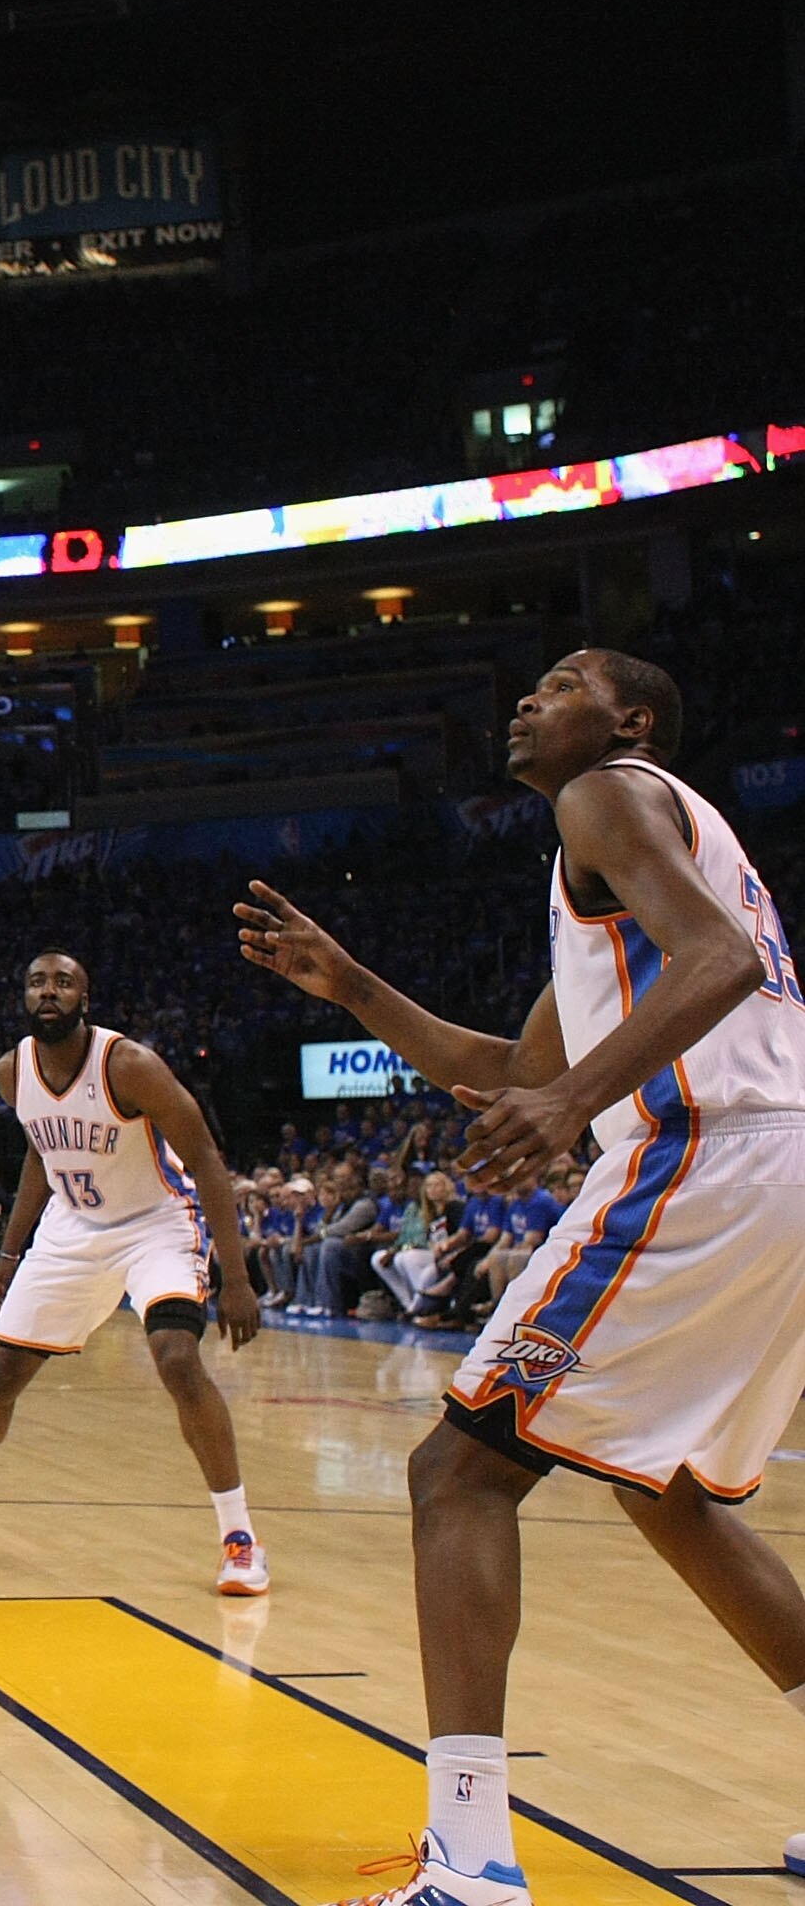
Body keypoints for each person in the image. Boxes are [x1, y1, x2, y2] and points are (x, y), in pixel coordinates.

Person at [237, 650, 805, 1906]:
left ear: (630, 718)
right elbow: (509, 1061)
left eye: (560, 682)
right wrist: (353, 985)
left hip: (703, 1150)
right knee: (669, 1494)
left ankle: (473, 1861)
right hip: (777, 1160)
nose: (525, 702)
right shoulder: (619, 865)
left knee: (459, 1469)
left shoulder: (608, 791)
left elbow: (724, 964)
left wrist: (572, 1104)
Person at [0, 952, 268, 1596]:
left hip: (156, 1223)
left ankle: (240, 1537)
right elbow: (43, 1151)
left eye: (63, 982)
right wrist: (9, 1253)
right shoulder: (13, 1071)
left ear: (85, 998)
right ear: (23, 998)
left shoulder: (129, 1066)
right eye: (37, 982)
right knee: (1, 1373)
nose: (49, 992)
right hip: (73, 1228)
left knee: (176, 1358)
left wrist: (238, 1274)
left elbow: (203, 1155)